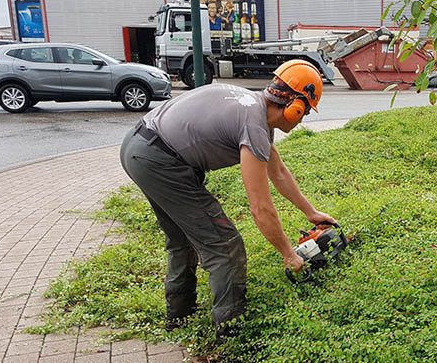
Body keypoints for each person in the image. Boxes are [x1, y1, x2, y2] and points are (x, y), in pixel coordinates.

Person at [119, 60, 335, 342]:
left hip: (141, 148)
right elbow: (260, 209)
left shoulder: (252, 107)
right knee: (225, 245)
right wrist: (289, 255)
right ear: (293, 106)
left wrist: (311, 212)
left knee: (183, 238)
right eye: (305, 111)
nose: (303, 118)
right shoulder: (254, 125)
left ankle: (179, 316)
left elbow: (278, 173)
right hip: (161, 161)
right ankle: (231, 334)